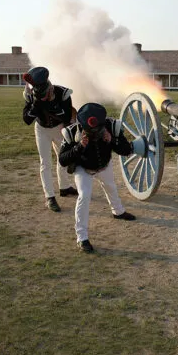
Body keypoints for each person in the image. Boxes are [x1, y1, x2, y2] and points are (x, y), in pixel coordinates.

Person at [58, 103, 136, 253]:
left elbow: (126, 150)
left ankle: (118, 212)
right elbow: (62, 160)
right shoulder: (71, 131)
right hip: (83, 169)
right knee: (84, 196)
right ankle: (82, 237)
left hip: (104, 166)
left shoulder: (112, 126)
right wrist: (79, 147)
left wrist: (112, 140)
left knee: (111, 186)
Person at [22, 66, 77, 212]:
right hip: (41, 130)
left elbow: (66, 117)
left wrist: (52, 103)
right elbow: (27, 120)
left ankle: (64, 187)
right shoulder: (30, 94)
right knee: (45, 163)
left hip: (59, 128)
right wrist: (36, 105)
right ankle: (50, 197)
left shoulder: (62, 93)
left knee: (63, 158)